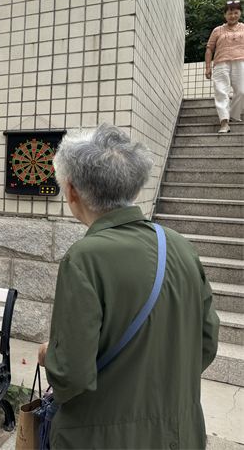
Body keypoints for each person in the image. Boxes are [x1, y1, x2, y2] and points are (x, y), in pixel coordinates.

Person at [37, 124, 219, 449]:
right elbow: (206, 343)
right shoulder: (181, 246)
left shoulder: (85, 258)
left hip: (101, 436)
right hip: (180, 433)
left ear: (71, 190)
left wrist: (49, 354)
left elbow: (71, 376)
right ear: (134, 192)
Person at [205, 0, 243, 133]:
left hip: (241, 62)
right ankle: (224, 123)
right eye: (230, 13)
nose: (233, 16)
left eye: (236, 13)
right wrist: (208, 67)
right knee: (221, 92)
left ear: (240, 13)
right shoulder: (217, 30)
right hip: (221, 63)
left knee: (242, 91)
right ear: (225, 15)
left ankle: (234, 114)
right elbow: (209, 48)